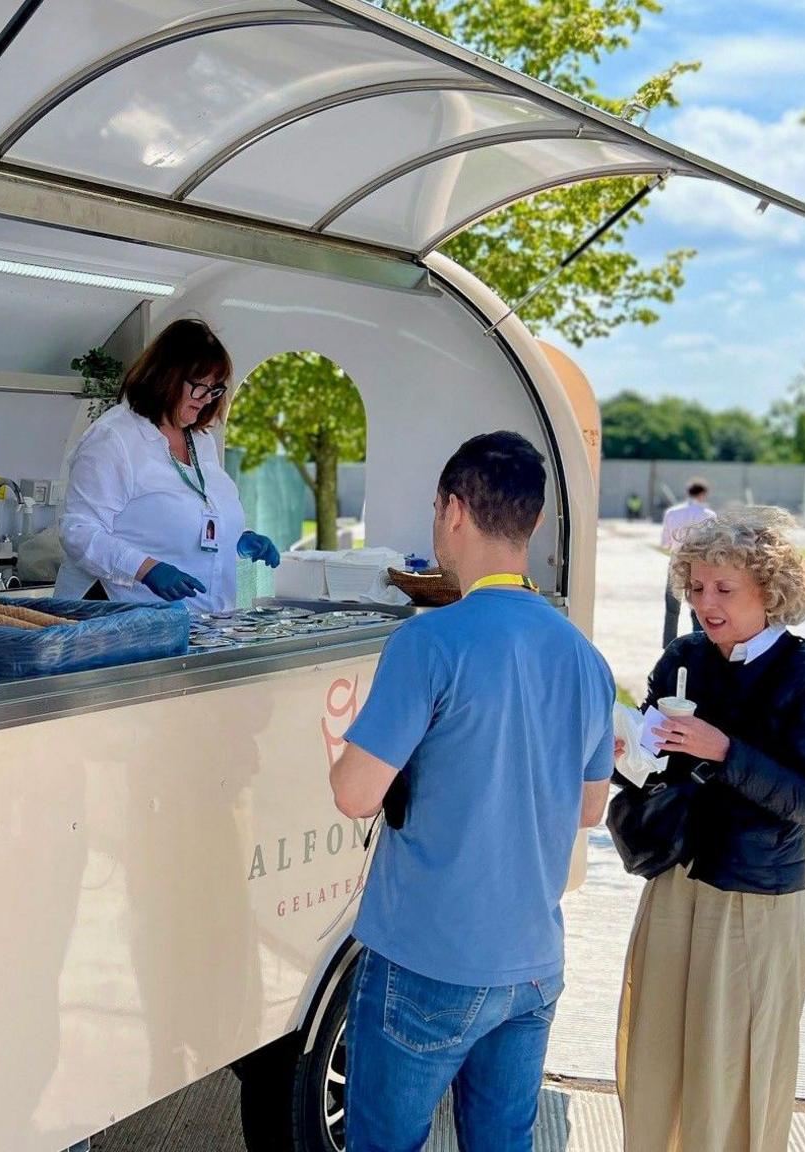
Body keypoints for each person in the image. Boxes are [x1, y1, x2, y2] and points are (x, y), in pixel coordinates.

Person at [328, 431, 615, 1152]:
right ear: (536, 523)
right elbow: (589, 810)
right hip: (532, 965)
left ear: (454, 512)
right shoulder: (584, 656)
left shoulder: (430, 643)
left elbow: (356, 794)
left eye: (435, 509)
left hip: (429, 960)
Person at [617, 506, 805, 1152]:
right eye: (694, 587)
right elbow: (651, 770)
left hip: (756, 899)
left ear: (770, 590)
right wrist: (629, 753)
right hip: (674, 885)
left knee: (731, 1079)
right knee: (655, 1067)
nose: (704, 603)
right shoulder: (684, 658)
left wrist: (725, 751)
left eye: (723, 589)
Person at [56, 319, 278, 611]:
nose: (206, 399)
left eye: (214, 390)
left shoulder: (200, 440)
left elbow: (191, 522)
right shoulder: (114, 438)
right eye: (200, 387)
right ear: (167, 376)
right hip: (122, 619)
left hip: (201, 623)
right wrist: (146, 569)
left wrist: (238, 539)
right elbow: (79, 532)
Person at [660, 479, 717, 644]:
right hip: (698, 564)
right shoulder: (709, 515)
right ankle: (700, 641)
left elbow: (665, 543)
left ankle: (669, 643)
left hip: (677, 561)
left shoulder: (671, 513)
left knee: (672, 608)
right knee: (698, 606)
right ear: (703, 494)